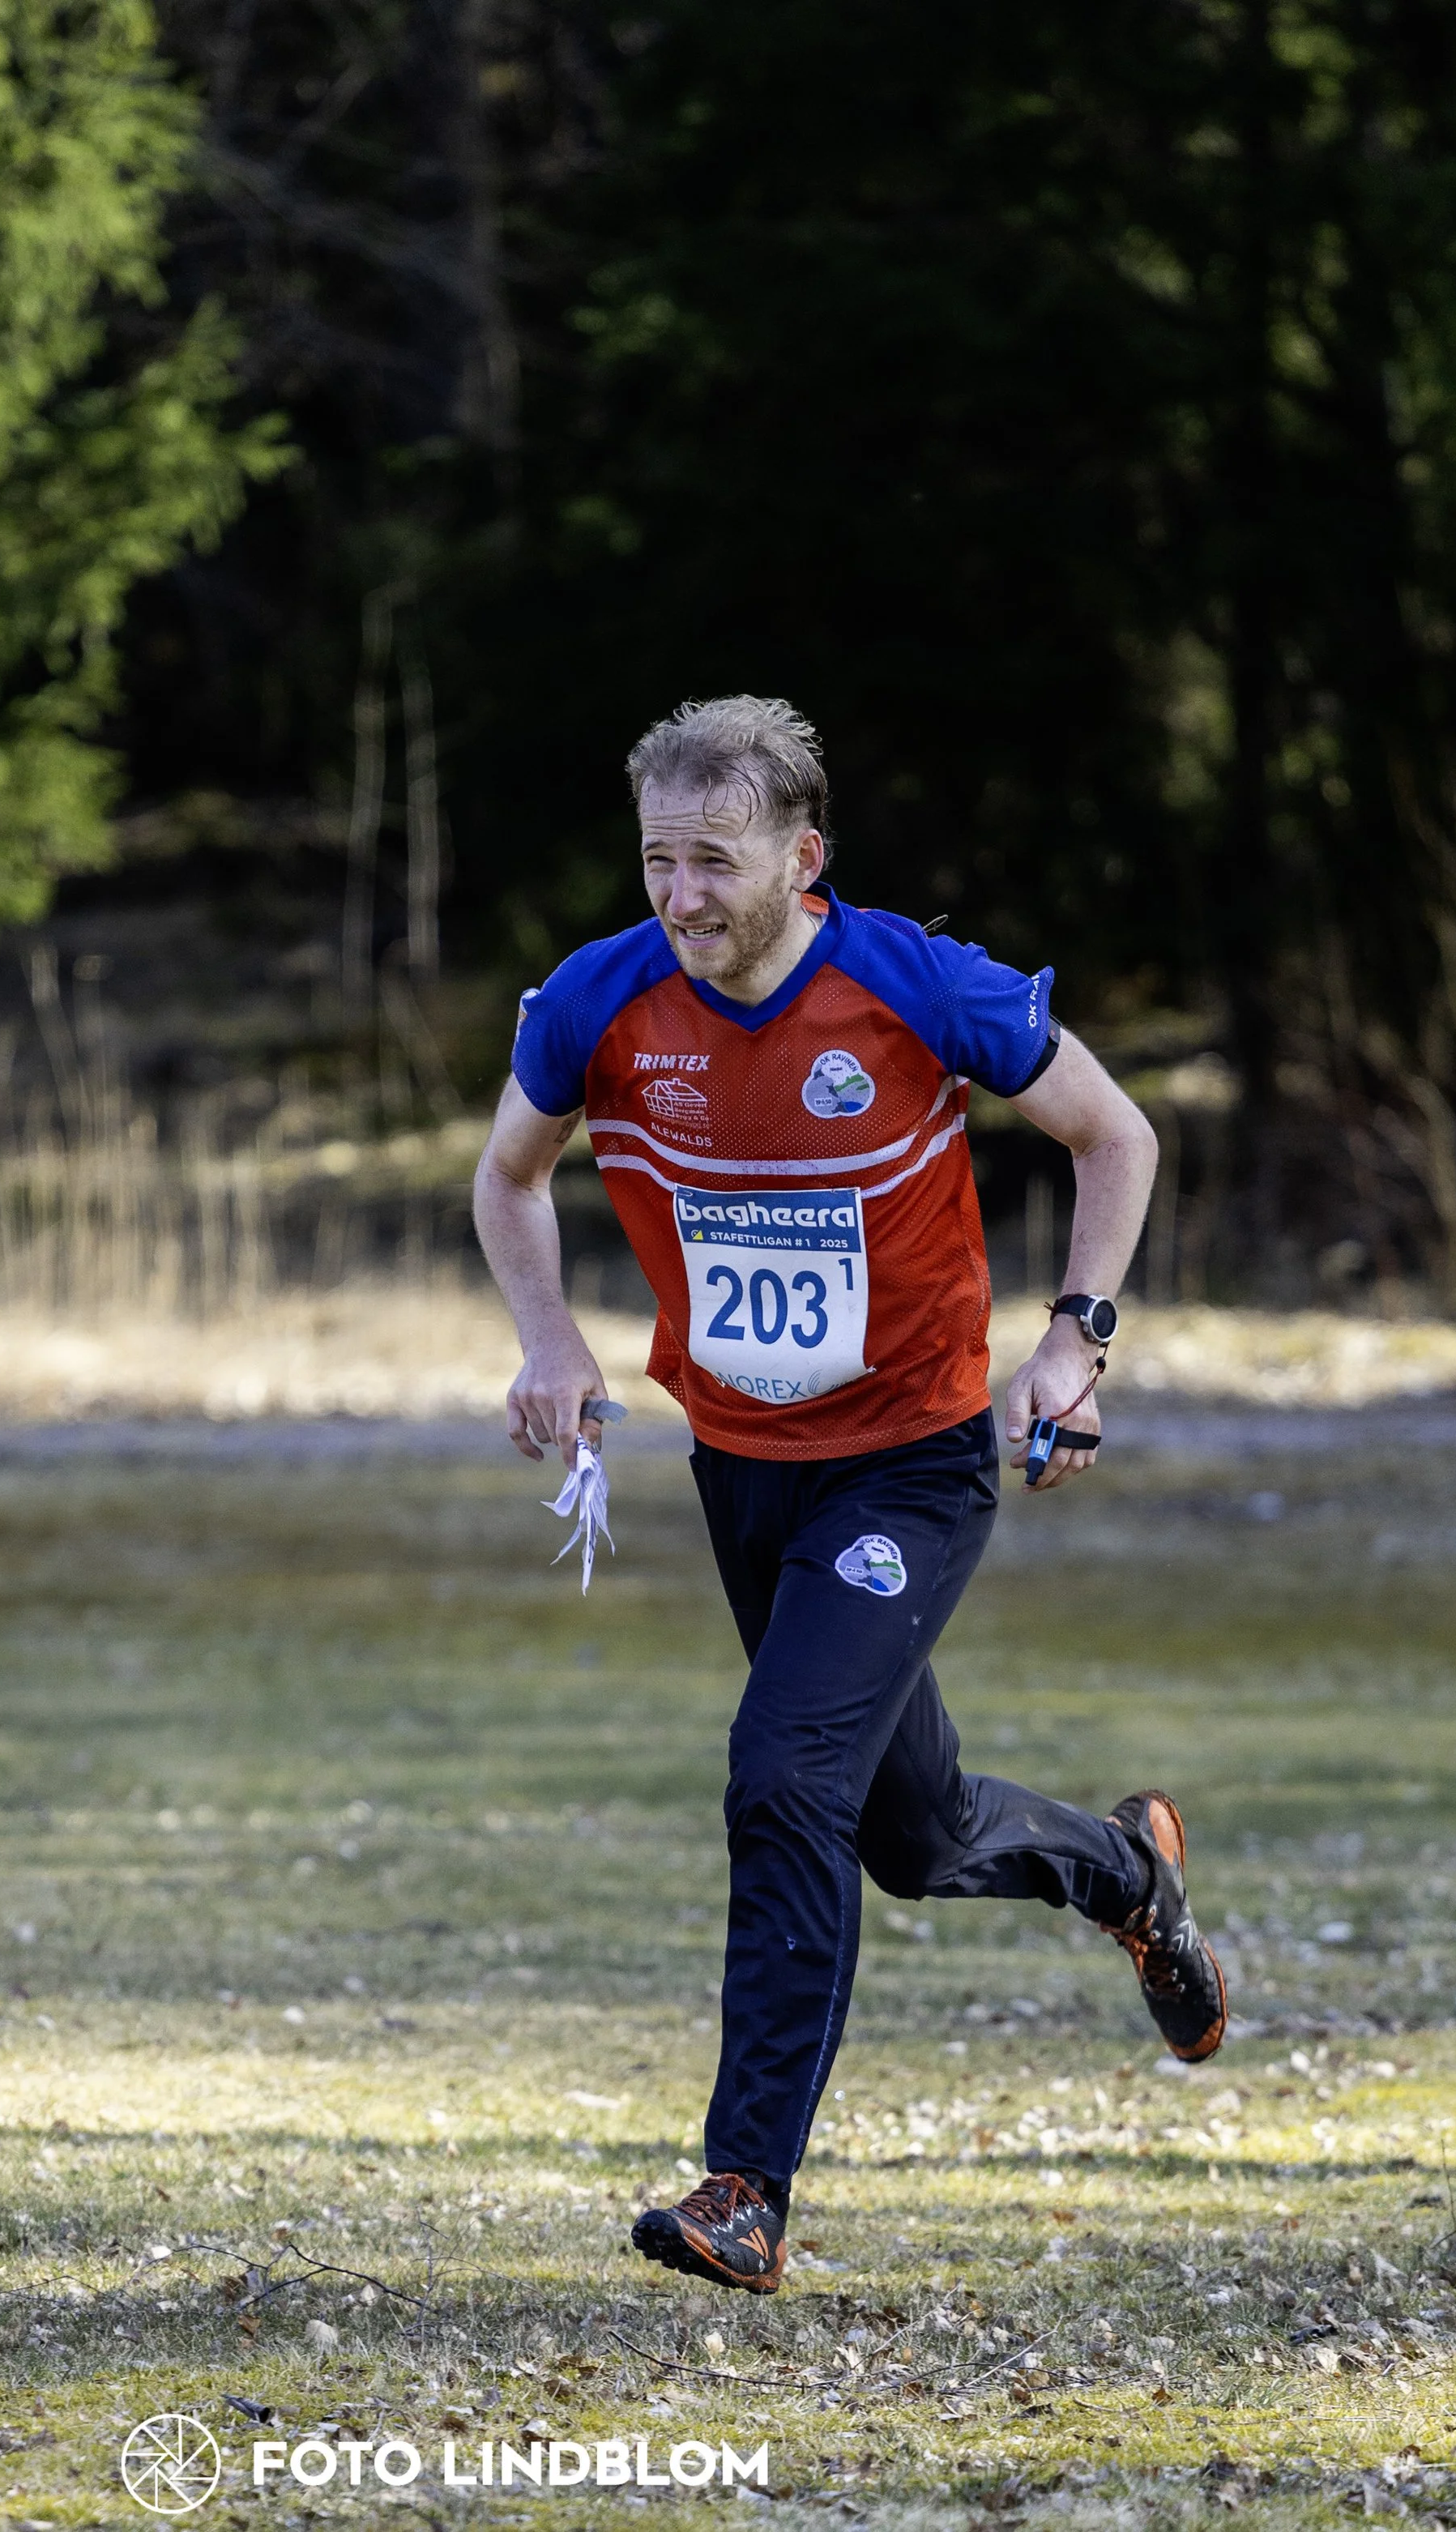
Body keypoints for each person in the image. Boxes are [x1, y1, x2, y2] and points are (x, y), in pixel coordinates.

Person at [472, 695, 1225, 2296]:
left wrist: (1071, 1344)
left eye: (716, 860)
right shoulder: (596, 1006)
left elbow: (1113, 1134)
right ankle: (1125, 1871)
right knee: (911, 1828)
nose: (680, 894)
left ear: (800, 857)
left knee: (781, 1778)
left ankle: (744, 2183)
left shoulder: (909, 982)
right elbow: (508, 1172)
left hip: (911, 1464)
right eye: (656, 859)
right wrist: (547, 1337)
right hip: (744, 1471)